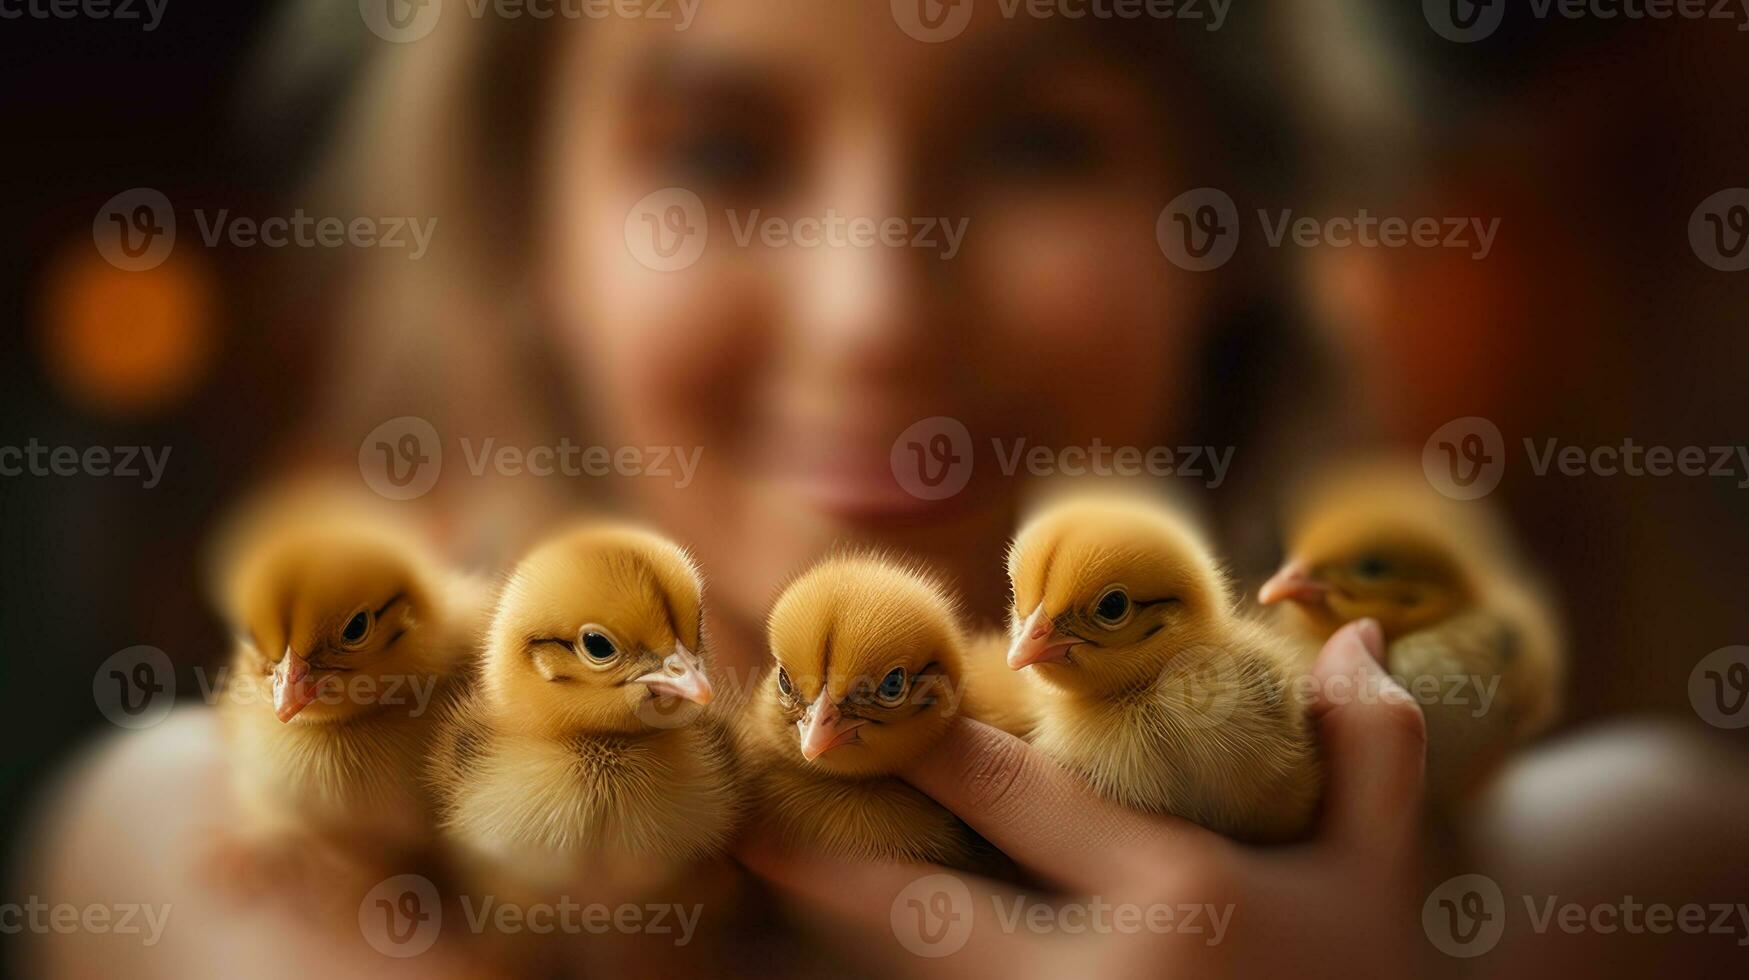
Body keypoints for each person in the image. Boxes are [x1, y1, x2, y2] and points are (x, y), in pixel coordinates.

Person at [19, 3, 1749, 976]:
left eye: (1037, 139)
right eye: (718, 150)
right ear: (525, 233)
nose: (874, 313)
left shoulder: (1620, 895)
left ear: (1223, 226)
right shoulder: (218, 864)